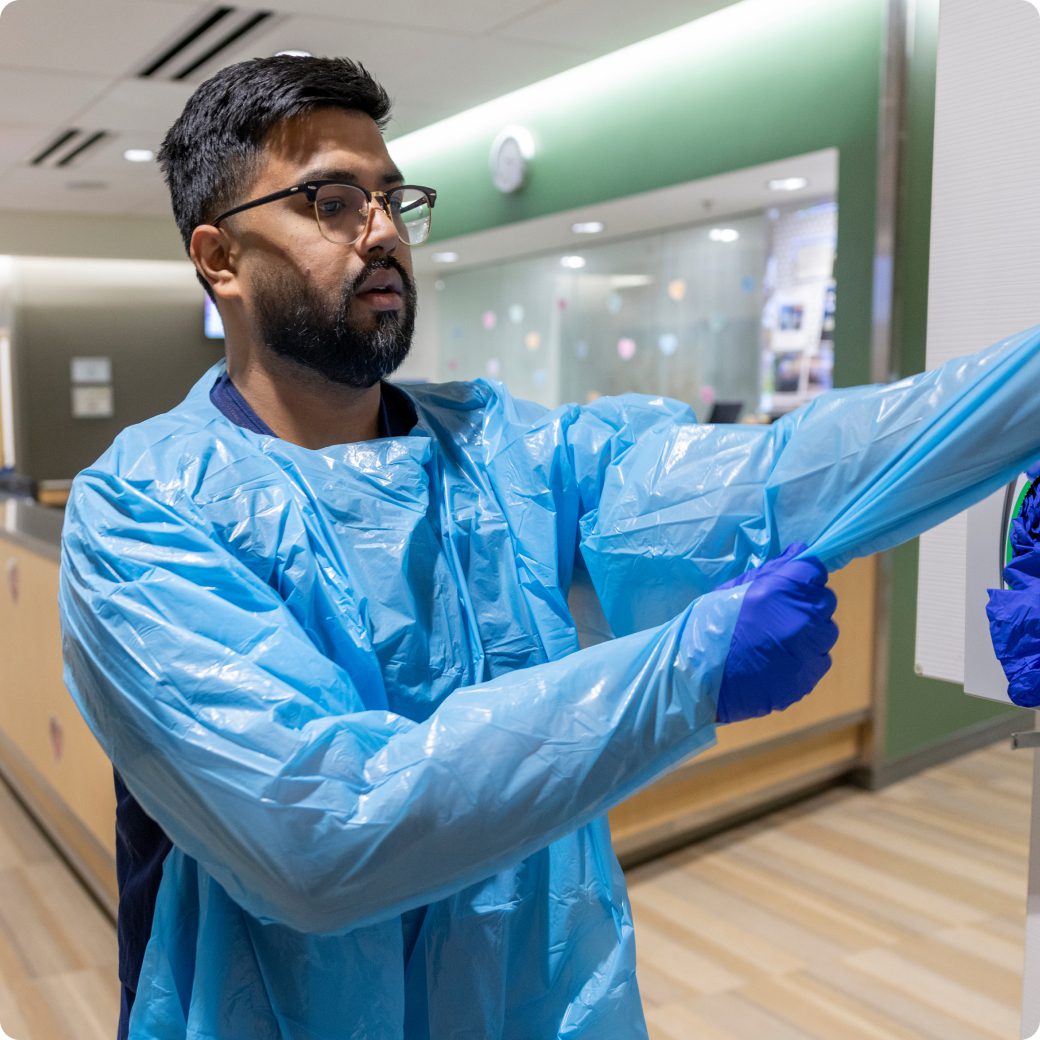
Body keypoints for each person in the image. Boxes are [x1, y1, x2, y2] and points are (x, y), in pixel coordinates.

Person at [58, 56, 840, 1040]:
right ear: (219, 259)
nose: (381, 230)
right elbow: (320, 836)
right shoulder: (143, 511)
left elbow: (796, 465)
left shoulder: (494, 451)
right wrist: (674, 675)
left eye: (390, 197)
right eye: (331, 201)